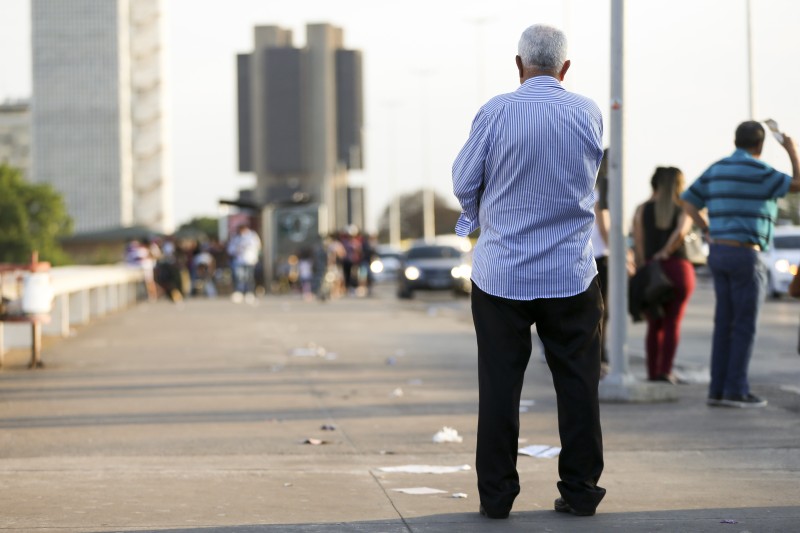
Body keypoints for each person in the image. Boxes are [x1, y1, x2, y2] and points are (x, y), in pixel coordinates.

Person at [452, 24, 605, 519]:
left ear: (518, 65)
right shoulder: (587, 112)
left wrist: (478, 216)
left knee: (500, 387)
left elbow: (464, 179)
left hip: (502, 274)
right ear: (565, 68)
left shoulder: (496, 111)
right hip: (571, 272)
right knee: (578, 385)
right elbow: (587, 177)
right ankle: (580, 491)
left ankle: (497, 498)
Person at [682, 120, 800, 408]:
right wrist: (791, 150)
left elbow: (688, 202)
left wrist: (707, 228)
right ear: (760, 144)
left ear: (735, 141)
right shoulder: (760, 172)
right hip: (746, 254)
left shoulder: (717, 169)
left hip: (719, 252)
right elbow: (798, 185)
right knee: (744, 325)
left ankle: (718, 389)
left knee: (724, 323)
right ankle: (736, 390)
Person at [632, 167, 696, 384]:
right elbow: (681, 233)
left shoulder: (642, 209)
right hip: (678, 269)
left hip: (652, 270)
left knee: (654, 324)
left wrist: (646, 265)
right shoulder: (684, 207)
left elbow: (638, 243)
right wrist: (667, 251)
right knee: (672, 323)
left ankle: (652, 373)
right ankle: (665, 371)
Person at [592, 150, 611, 377]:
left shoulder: (591, 190)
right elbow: (604, 227)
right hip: (601, 257)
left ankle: (600, 355)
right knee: (601, 311)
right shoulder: (601, 194)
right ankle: (599, 356)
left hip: (595, 256)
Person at [226, 223, 262, 304]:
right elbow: (230, 249)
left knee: (249, 277)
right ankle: (239, 292)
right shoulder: (236, 238)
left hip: (250, 260)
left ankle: (249, 292)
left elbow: (257, 246)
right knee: (239, 277)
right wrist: (237, 249)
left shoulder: (252, 236)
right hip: (239, 260)